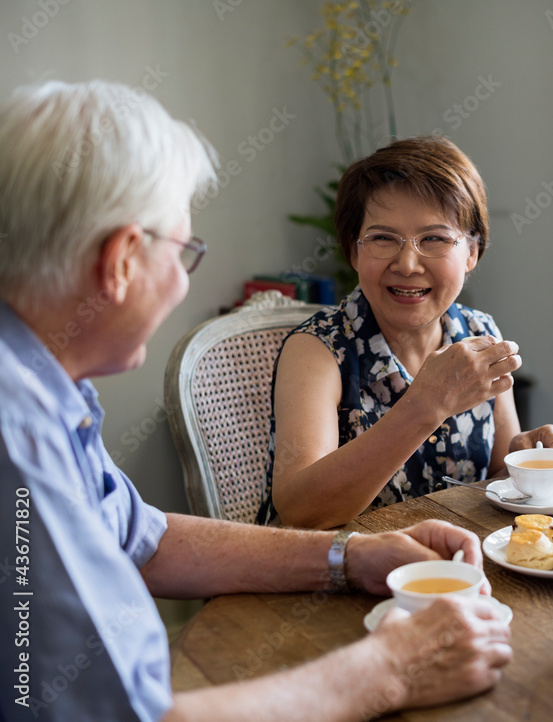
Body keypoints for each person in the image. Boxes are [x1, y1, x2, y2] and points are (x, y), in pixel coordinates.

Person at [0, 80, 511, 722]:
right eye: (184, 252)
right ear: (123, 260)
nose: (184, 283)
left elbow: (143, 538)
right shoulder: (16, 434)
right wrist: (386, 669)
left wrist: (352, 556)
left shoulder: (45, 391)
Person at [257, 136, 553, 529]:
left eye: (434, 239)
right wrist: (427, 404)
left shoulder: (478, 332)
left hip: (455, 570)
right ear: (353, 251)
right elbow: (302, 511)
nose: (407, 264)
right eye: (383, 239)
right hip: (338, 576)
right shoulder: (319, 349)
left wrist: (524, 457)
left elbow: (497, 475)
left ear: (472, 252)